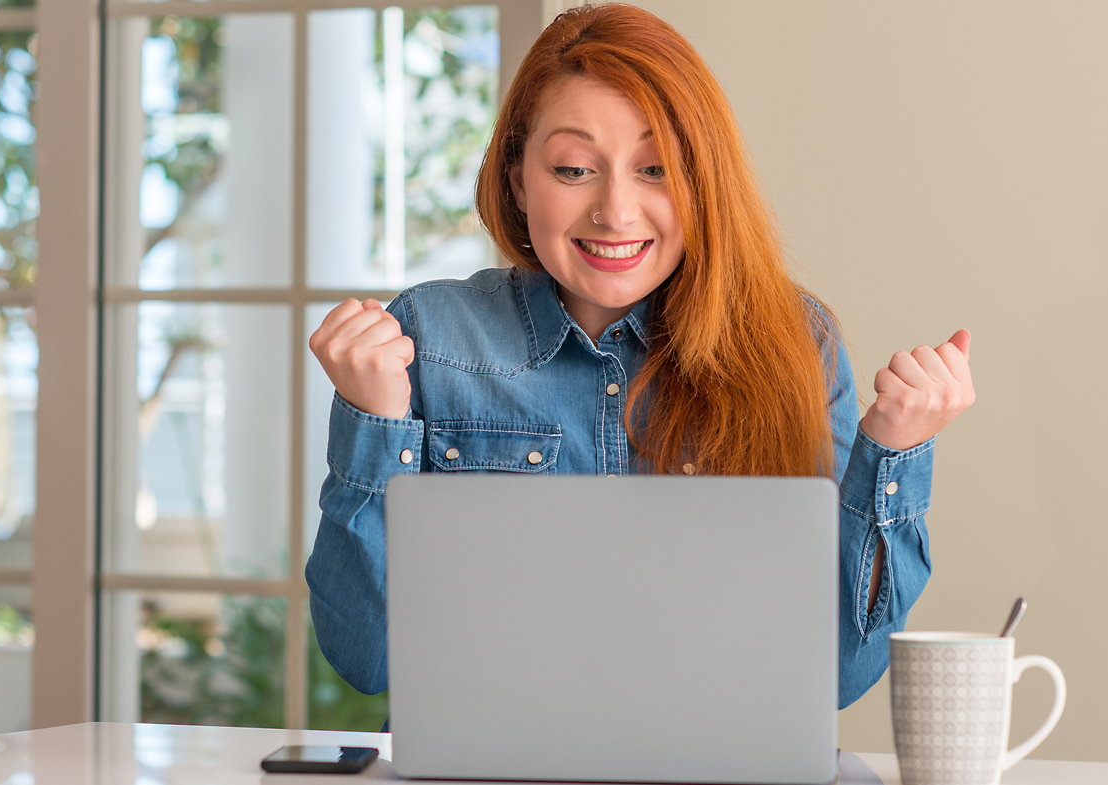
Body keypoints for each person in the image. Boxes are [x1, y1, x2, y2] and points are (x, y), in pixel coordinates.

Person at [304, 2, 975, 723]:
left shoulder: (794, 341)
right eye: (572, 168)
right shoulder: (432, 336)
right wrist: (371, 423)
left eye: (656, 168)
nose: (615, 211)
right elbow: (364, 656)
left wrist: (892, 455)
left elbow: (835, 674)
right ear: (517, 178)